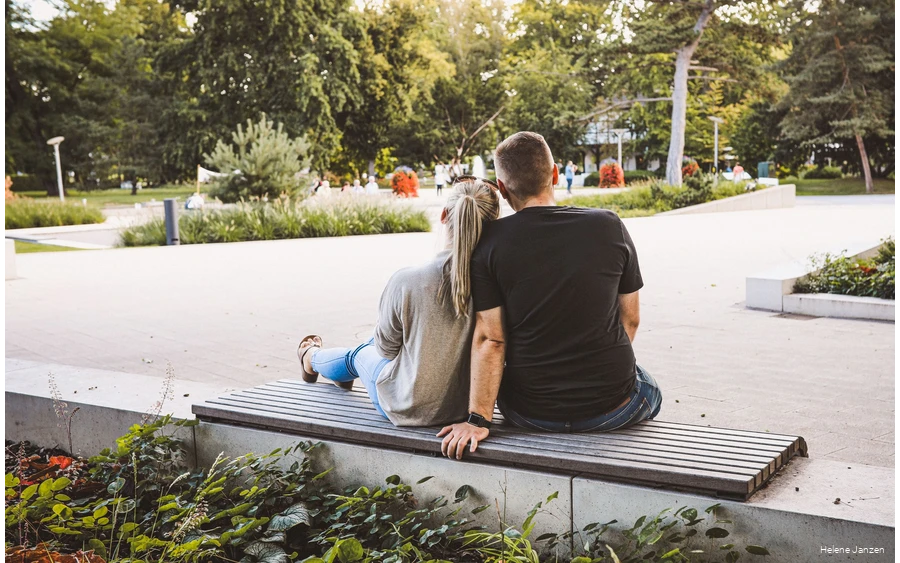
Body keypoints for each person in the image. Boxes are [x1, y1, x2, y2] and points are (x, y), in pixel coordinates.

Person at [438, 131, 662, 460]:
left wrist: (477, 420)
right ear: (555, 173)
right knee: (647, 382)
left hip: (529, 413)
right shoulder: (608, 225)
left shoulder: (488, 245)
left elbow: (491, 339)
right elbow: (630, 318)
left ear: (502, 188)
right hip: (614, 408)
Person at [297, 180, 501, 426]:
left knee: (359, 353)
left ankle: (310, 357)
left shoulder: (408, 280)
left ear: (444, 215)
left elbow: (385, 350)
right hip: (465, 410)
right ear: (495, 224)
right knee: (372, 345)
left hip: (405, 405)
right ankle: (341, 371)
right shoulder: (498, 284)